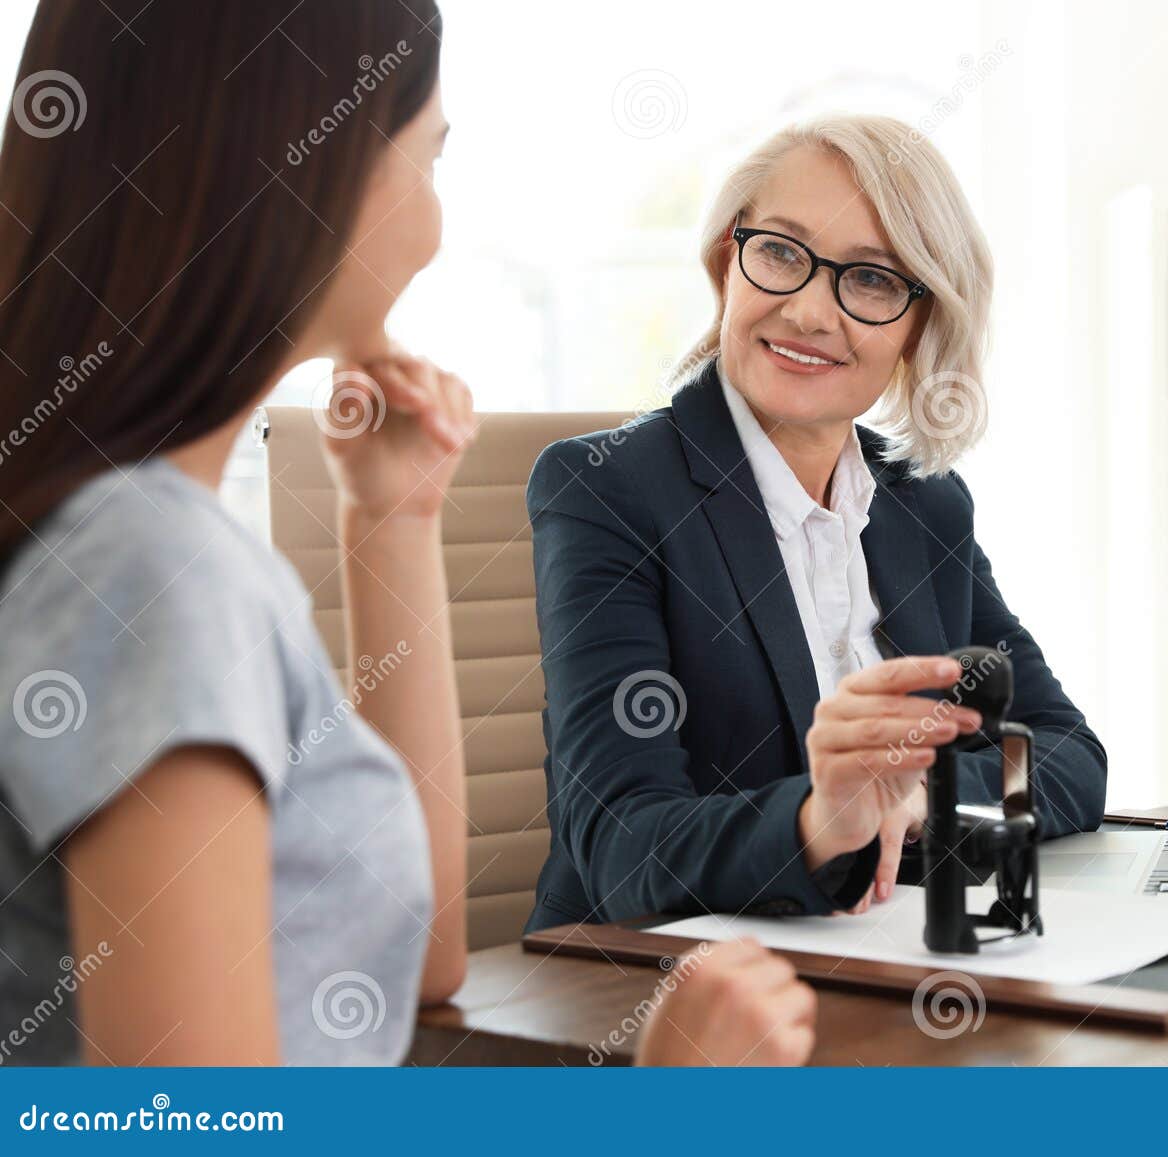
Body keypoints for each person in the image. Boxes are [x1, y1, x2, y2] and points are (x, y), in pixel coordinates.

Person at [0, 0, 813, 1067]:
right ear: (307, 171)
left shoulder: (138, 534)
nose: (435, 225)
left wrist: (391, 518)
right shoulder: (153, 566)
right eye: (429, 159)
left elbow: (411, 959)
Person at [526, 114, 1108, 933]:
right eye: (781, 252)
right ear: (727, 260)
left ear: (920, 325)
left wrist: (923, 796)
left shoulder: (925, 505)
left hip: (896, 949)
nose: (807, 311)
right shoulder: (608, 490)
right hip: (661, 981)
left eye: (870, 279)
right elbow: (622, 849)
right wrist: (819, 820)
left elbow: (1068, 753)